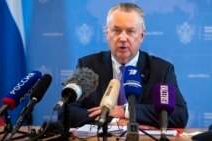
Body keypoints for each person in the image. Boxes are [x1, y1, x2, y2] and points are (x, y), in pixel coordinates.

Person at [58, 2, 188, 129]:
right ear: (107, 33)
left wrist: (126, 111)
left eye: (130, 31)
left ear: (141, 36)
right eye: (116, 30)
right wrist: (115, 121)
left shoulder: (161, 70)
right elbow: (65, 112)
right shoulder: (88, 65)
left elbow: (179, 115)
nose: (123, 38)